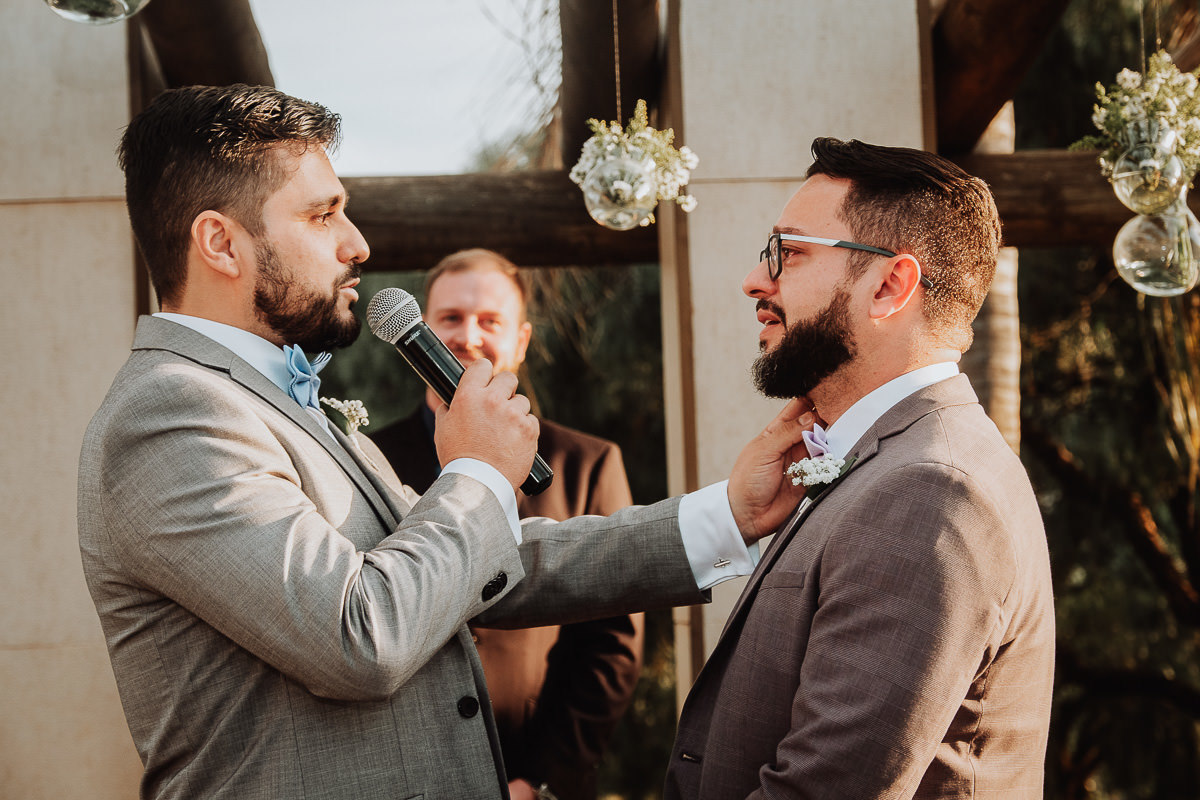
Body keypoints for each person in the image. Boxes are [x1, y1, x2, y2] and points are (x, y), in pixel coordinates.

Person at [77, 84, 809, 800]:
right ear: (220, 243)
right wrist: (479, 471)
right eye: (323, 214)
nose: (357, 244)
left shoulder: (272, 398)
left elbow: (485, 563)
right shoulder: (170, 414)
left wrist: (730, 516)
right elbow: (359, 637)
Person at [663, 138, 1055, 799]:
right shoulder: (890, 461)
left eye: (788, 254)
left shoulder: (932, 490)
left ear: (889, 286)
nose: (755, 281)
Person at [371, 249, 641, 800]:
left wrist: (540, 781)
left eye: (489, 321)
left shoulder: (587, 464)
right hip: (402, 771)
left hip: (531, 771)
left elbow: (609, 640)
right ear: (416, 329)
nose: (467, 335)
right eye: (448, 318)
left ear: (520, 339)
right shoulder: (368, 458)